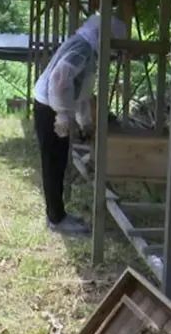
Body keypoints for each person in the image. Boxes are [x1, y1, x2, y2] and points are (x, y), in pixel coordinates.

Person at [32, 12, 128, 235]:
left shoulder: (86, 47)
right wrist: (63, 115)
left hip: (52, 106)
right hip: (50, 108)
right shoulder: (83, 48)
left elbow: (81, 91)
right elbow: (59, 80)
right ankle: (56, 219)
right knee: (53, 163)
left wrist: (84, 121)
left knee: (58, 160)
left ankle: (58, 214)